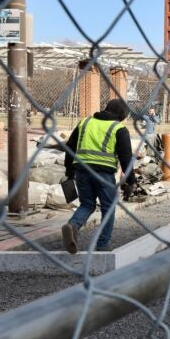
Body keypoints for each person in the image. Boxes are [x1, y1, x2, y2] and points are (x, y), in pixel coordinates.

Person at [62, 98, 136, 253]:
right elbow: (126, 158)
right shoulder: (119, 128)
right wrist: (130, 182)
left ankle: (73, 225)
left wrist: (69, 171)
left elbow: (70, 147)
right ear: (122, 115)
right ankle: (102, 245)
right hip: (104, 174)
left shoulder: (85, 123)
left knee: (87, 204)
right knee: (108, 208)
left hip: (82, 171)